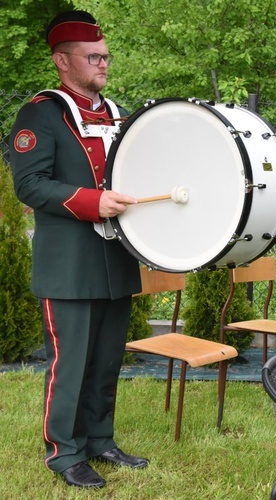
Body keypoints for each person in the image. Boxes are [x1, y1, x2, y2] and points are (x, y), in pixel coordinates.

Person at [9, 10, 146, 489]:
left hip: (116, 258)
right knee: (70, 362)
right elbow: (29, 184)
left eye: (106, 56)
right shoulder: (40, 113)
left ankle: (99, 440)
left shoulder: (117, 113)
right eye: (93, 57)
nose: (104, 64)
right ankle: (64, 452)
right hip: (68, 262)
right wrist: (93, 202)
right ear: (62, 61)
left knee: (107, 358)